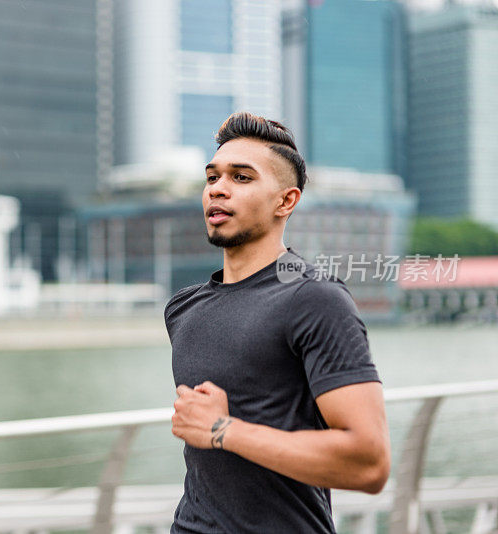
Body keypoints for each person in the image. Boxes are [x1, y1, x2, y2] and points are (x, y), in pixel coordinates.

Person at [166, 112, 390, 533]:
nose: (218, 189)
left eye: (242, 178)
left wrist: (222, 430)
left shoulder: (315, 298)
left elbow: (369, 462)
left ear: (285, 201)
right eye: (212, 177)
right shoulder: (183, 308)